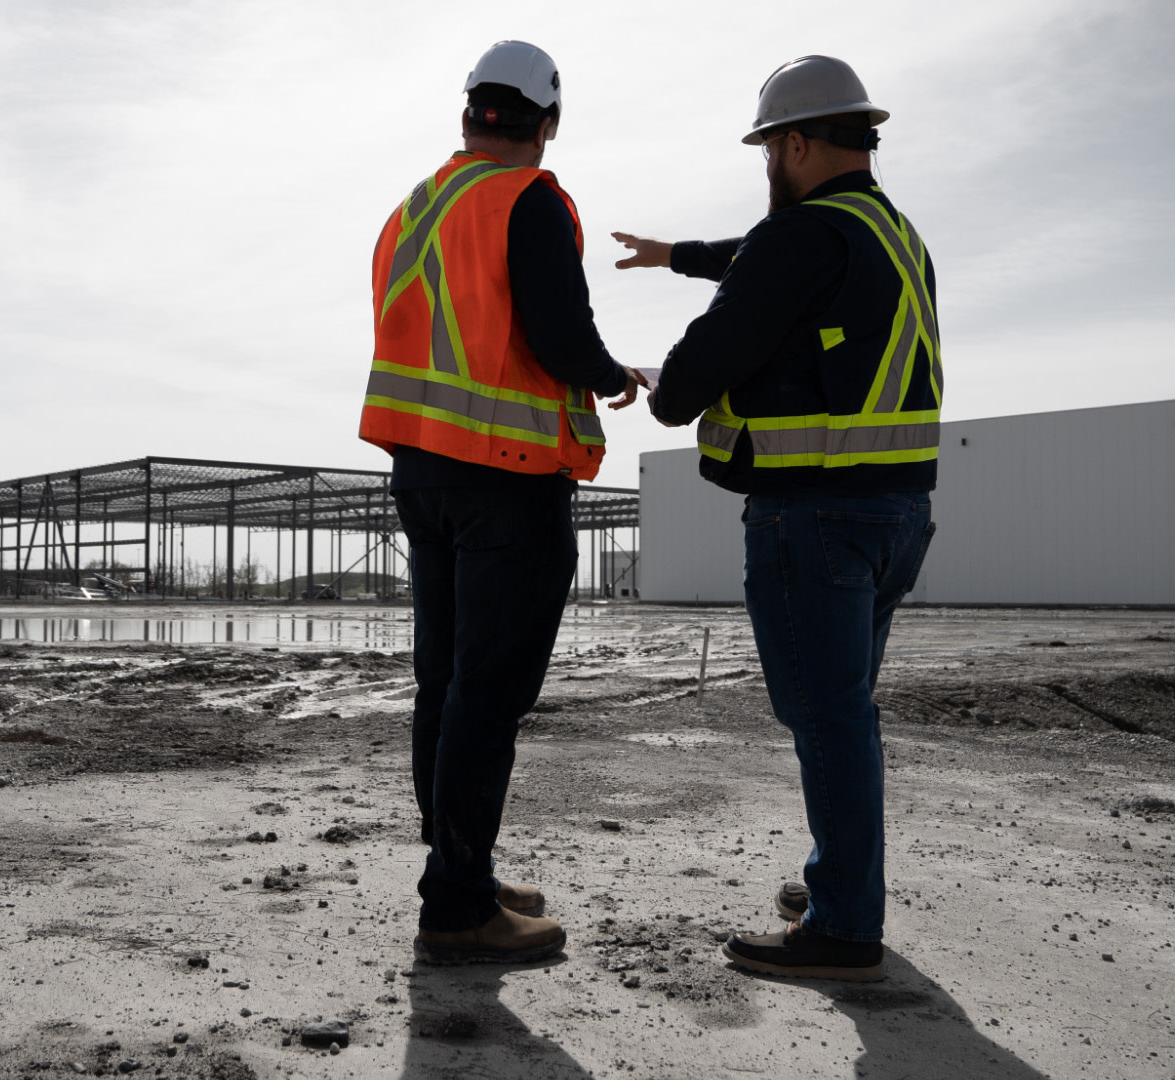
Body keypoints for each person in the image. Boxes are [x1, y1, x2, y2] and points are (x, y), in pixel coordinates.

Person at [613, 55, 940, 981]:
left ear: (796, 143)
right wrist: (677, 255)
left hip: (816, 517)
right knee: (846, 713)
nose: (765, 163)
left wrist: (662, 389)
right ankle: (842, 884)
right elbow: (766, 262)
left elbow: (714, 349)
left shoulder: (803, 238)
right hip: (895, 514)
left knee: (827, 718)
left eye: (767, 147)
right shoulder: (888, 230)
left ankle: (843, 927)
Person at [360, 40, 647, 965]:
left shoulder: (413, 210)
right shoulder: (527, 200)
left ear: (468, 112)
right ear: (545, 121)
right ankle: (457, 907)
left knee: (443, 684)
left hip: (422, 471)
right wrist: (613, 377)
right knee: (487, 694)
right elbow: (562, 335)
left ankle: (462, 872)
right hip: (508, 476)